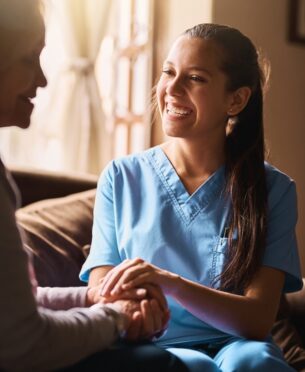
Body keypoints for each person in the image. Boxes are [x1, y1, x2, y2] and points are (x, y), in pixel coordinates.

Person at [80, 23, 302, 371]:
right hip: (155, 347)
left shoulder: (275, 190)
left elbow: (258, 320)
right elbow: (100, 294)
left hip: (239, 345)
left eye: (195, 78)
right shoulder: (121, 178)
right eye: (169, 72)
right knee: (191, 367)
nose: (172, 88)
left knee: (255, 362)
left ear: (236, 99)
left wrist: (171, 283)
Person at [0, 1, 188, 371]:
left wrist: (93, 296)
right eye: (28, 58)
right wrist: (116, 316)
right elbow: (21, 341)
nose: (42, 79)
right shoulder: (122, 177)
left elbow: (16, 306)